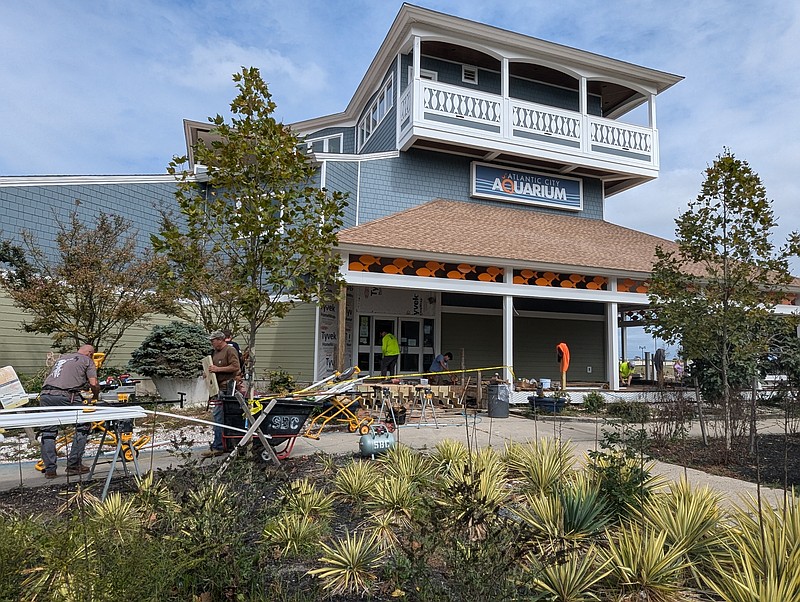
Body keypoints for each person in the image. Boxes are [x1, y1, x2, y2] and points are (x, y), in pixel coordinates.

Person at [39, 344, 101, 478]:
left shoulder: (63, 358)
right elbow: (93, 383)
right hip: (66, 396)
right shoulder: (87, 361)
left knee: (48, 432)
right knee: (83, 426)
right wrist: (95, 396)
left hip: (45, 395)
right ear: (90, 353)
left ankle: (50, 469)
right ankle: (74, 465)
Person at [203, 330, 241, 458]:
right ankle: (226, 444)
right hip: (218, 388)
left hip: (227, 389)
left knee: (219, 416)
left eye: (213, 340)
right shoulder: (215, 352)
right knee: (221, 417)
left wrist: (218, 369)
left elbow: (236, 367)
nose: (211, 343)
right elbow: (213, 368)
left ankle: (218, 446)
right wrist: (209, 373)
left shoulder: (230, 350)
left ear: (220, 340)